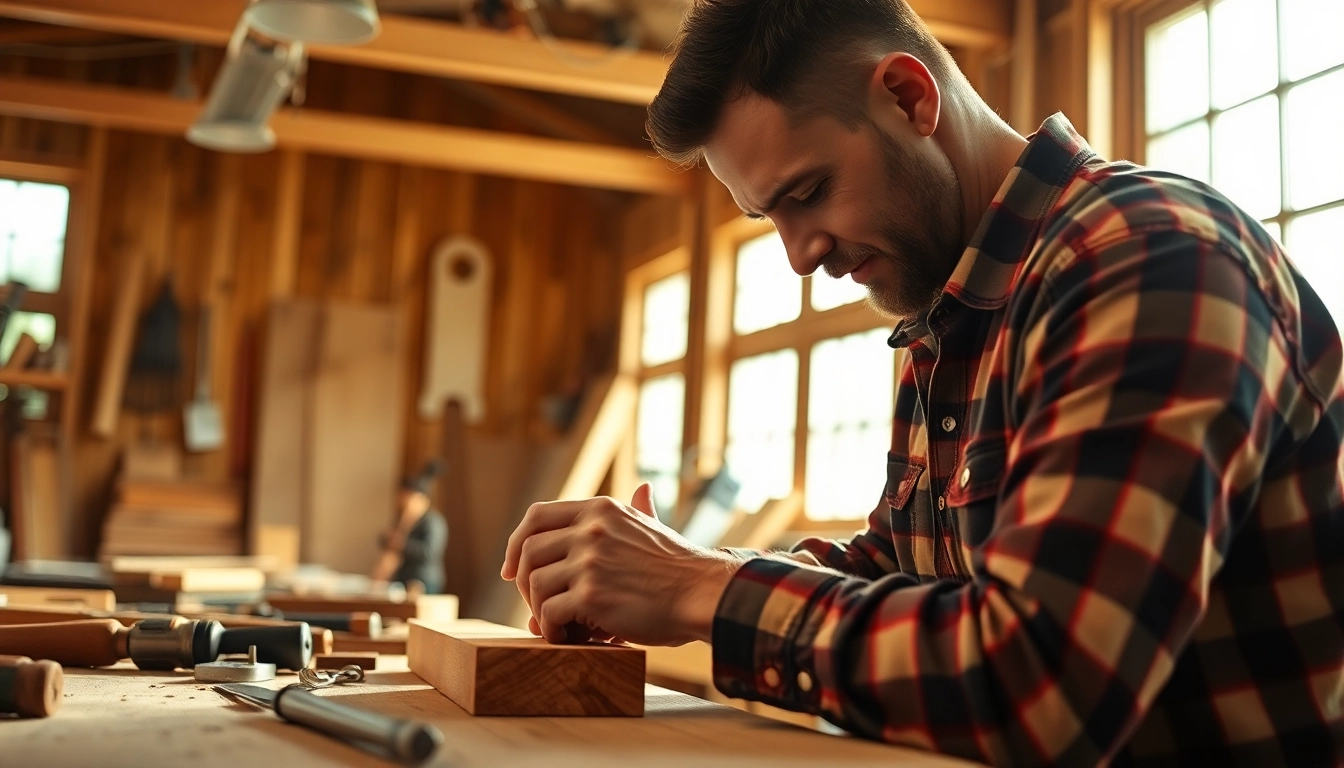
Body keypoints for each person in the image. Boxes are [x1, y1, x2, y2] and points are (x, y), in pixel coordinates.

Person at [500, 0, 1344, 764]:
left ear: (909, 97)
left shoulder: (1146, 260)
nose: (800, 256)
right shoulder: (954, 312)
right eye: (770, 219)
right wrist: (673, 571)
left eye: (809, 192)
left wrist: (696, 588)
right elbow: (899, 571)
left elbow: (1038, 686)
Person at [373, 460, 448, 594]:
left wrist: (401, 544)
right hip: (402, 578)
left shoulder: (433, 521)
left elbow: (429, 552)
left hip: (424, 580)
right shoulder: (404, 519)